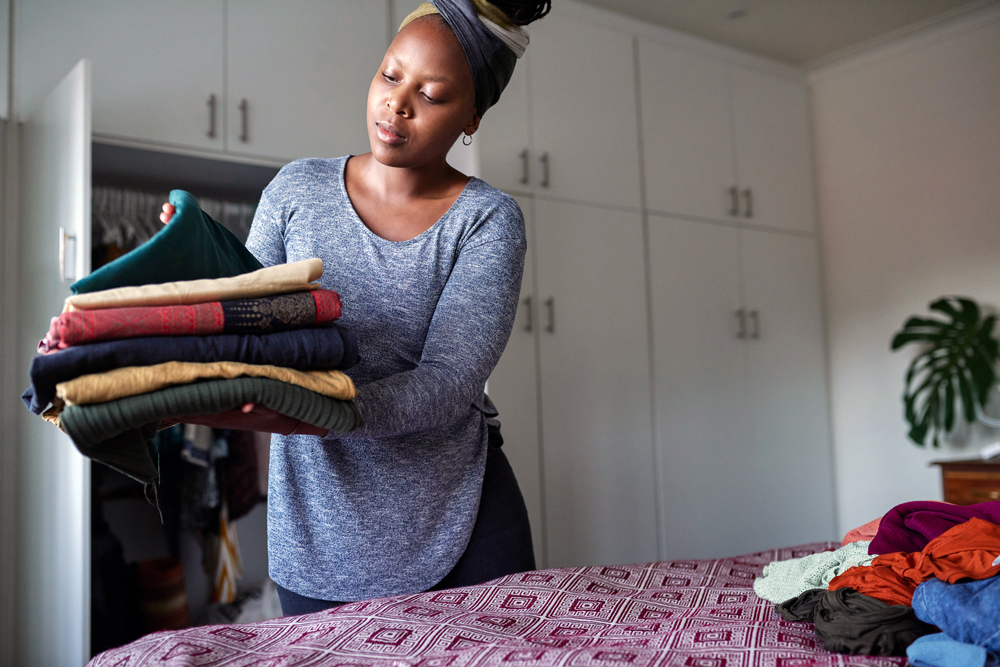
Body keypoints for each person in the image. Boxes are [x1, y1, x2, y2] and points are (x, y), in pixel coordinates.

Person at [159, 0, 551, 615]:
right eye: (391, 75)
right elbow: (248, 322)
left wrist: (317, 411)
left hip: (459, 520)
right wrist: (186, 263)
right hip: (319, 529)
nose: (398, 103)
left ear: (472, 116)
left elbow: (450, 381)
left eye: (433, 94)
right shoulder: (296, 190)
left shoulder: (487, 220)